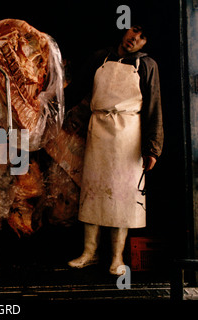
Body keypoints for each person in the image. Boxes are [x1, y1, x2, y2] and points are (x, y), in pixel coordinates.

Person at [65, 24, 164, 275]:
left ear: (145, 44)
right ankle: (89, 253)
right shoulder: (100, 58)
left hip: (129, 134)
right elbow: (76, 91)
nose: (135, 39)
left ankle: (117, 258)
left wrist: (152, 148)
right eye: (134, 31)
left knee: (122, 195)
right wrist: (51, 107)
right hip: (98, 129)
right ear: (125, 29)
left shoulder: (147, 66)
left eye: (142, 37)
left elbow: (154, 108)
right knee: (93, 190)